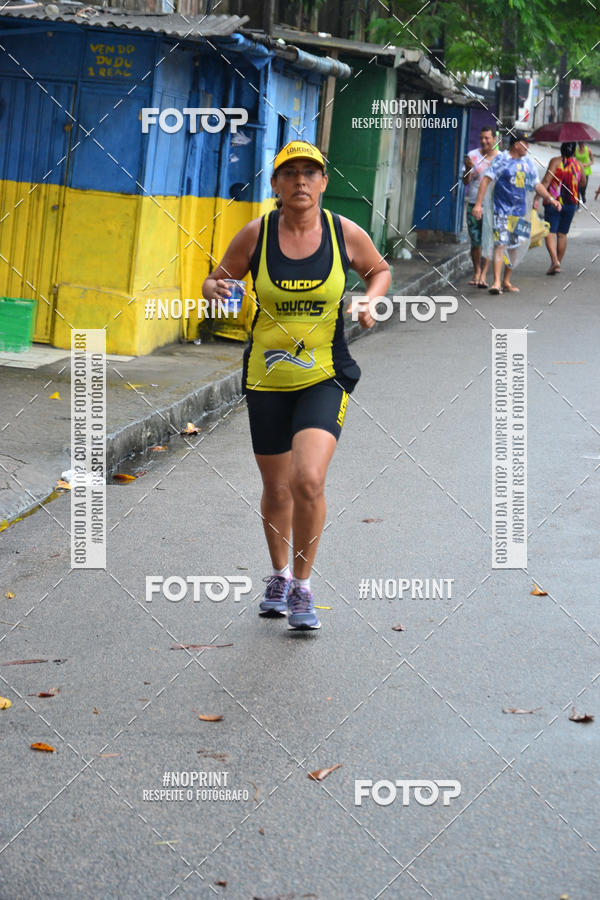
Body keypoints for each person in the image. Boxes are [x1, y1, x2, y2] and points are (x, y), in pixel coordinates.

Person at [202, 140, 391, 630]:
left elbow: (379, 270)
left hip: (325, 377)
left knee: (307, 479)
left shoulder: (343, 232)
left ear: (325, 182)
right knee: (276, 486)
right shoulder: (256, 234)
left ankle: (304, 587)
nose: (301, 181)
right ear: (276, 185)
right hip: (266, 379)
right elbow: (216, 279)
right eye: (290, 174)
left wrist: (371, 301)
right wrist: (215, 288)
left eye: (311, 173)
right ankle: (279, 575)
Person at [472, 132, 561, 294]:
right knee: (500, 244)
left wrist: (551, 198)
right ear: (516, 144)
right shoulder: (502, 160)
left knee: (514, 248)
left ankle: (506, 280)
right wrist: (478, 204)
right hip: (501, 211)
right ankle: (497, 282)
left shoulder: (528, 163)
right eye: (525, 143)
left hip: (519, 213)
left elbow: (536, 184)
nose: (528, 146)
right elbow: (486, 180)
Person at [462, 126, 500, 287]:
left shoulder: (501, 158)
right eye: (482, 138)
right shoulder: (472, 155)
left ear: (494, 139)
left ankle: (483, 274)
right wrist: (469, 168)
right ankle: (477, 270)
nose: (484, 141)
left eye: (487, 138)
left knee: (488, 241)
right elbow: (465, 181)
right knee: (475, 242)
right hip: (473, 205)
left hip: (492, 207)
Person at [540, 142, 585, 275]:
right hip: (571, 203)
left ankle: (554, 260)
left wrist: (537, 197)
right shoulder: (579, 165)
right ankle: (558, 263)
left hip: (554, 201)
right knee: (562, 234)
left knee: (550, 232)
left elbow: (547, 181)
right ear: (574, 151)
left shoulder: (555, 161)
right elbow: (583, 183)